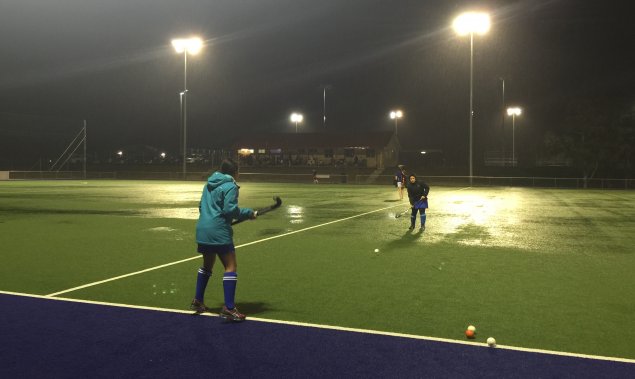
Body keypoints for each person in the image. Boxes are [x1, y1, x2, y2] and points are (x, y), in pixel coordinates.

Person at [190, 158, 256, 321]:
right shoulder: (230, 186)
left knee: (207, 265)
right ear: (235, 172)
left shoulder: (208, 184)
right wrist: (248, 213)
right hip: (218, 231)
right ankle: (229, 307)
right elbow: (230, 210)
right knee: (230, 266)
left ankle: (198, 301)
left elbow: (201, 207)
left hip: (203, 229)